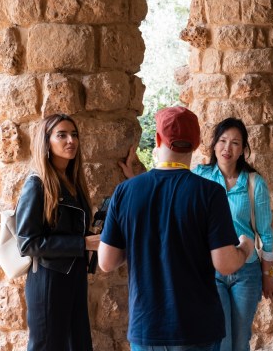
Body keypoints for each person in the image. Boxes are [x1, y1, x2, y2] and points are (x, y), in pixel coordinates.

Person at [98, 107, 254, 351]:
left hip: (146, 327)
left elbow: (107, 261)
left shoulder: (126, 191)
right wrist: (246, 247)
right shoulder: (209, 193)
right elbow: (225, 264)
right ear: (197, 143)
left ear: (158, 140)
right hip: (196, 328)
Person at [191, 117, 273, 351]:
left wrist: (267, 274)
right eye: (222, 141)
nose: (227, 148)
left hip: (246, 272)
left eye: (235, 143)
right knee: (221, 339)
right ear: (214, 145)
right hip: (212, 269)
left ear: (243, 150)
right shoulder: (200, 177)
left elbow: (265, 233)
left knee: (240, 342)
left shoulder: (254, 183)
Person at [16, 114, 99, 351]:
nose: (70, 140)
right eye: (61, 135)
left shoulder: (74, 182)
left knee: (79, 345)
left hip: (74, 277)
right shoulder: (37, 183)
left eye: (74, 135)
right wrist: (82, 243)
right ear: (46, 141)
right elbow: (27, 243)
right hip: (48, 279)